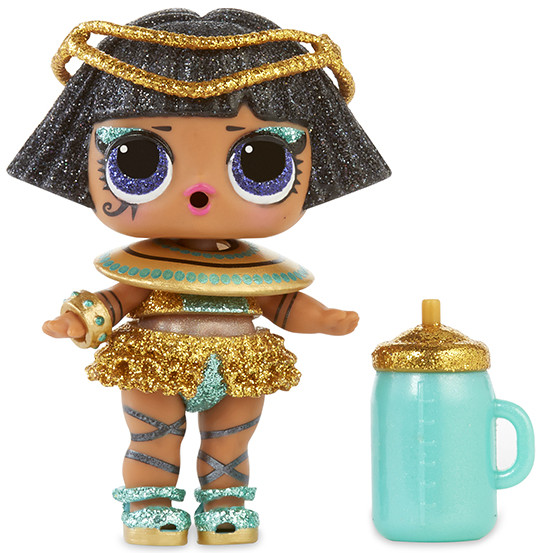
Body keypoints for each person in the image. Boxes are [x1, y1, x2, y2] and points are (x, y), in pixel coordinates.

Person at [7, 8, 390, 546]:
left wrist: (323, 318)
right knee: (152, 441)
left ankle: (225, 506)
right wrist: (81, 318)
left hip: (239, 363)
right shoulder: (146, 266)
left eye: (262, 163)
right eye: (136, 161)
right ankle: (150, 507)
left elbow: (281, 304)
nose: (200, 192)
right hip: (155, 358)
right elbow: (118, 298)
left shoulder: (255, 271)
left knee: (231, 442)